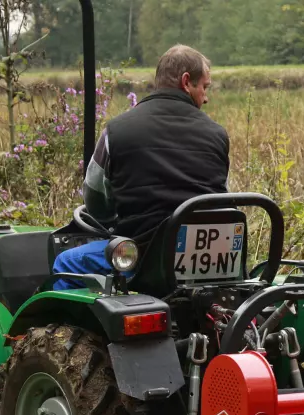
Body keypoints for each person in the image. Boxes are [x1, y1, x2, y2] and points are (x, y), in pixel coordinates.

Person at [52, 44, 229, 289]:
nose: (206, 97)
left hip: (144, 258)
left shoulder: (117, 131)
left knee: (66, 262)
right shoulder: (218, 134)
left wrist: (111, 220)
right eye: (205, 87)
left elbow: (94, 197)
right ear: (186, 82)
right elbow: (221, 197)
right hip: (213, 259)